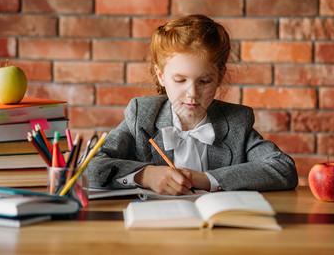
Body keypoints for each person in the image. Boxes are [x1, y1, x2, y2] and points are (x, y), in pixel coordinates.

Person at [89, 14, 298, 195]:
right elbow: (88, 166)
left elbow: (283, 168)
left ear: (220, 76)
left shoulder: (235, 122)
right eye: (180, 80)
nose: (193, 93)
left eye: (204, 81)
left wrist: (206, 179)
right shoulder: (142, 117)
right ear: (161, 76)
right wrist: (145, 174)